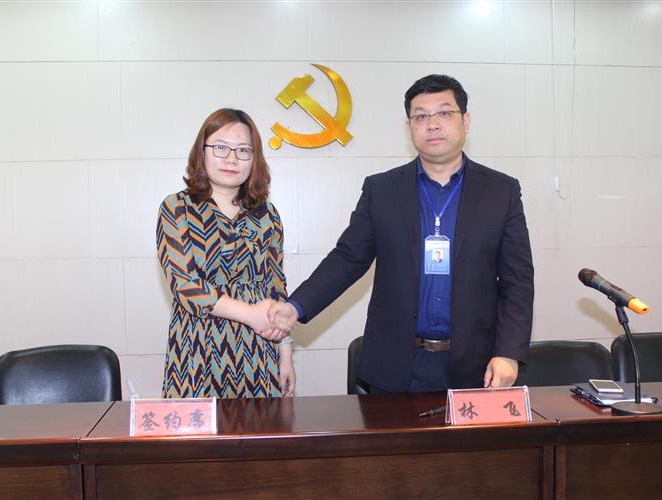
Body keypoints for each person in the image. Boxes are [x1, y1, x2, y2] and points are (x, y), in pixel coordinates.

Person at [270, 74, 534, 393]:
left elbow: (517, 280)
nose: (432, 124)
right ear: (409, 127)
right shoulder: (382, 189)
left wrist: (509, 353)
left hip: (476, 366)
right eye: (420, 116)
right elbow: (348, 259)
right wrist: (296, 307)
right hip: (395, 365)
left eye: (444, 113)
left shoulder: (501, 191)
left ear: (465, 120)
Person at [157, 108, 296, 399]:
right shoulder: (176, 208)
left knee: (261, 427)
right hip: (196, 349)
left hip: (258, 351)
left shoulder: (267, 215)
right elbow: (186, 285)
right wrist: (250, 314)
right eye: (221, 147)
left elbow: (276, 286)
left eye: (243, 150)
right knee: (196, 429)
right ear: (202, 152)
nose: (232, 158)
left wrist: (285, 353)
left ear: (254, 158)